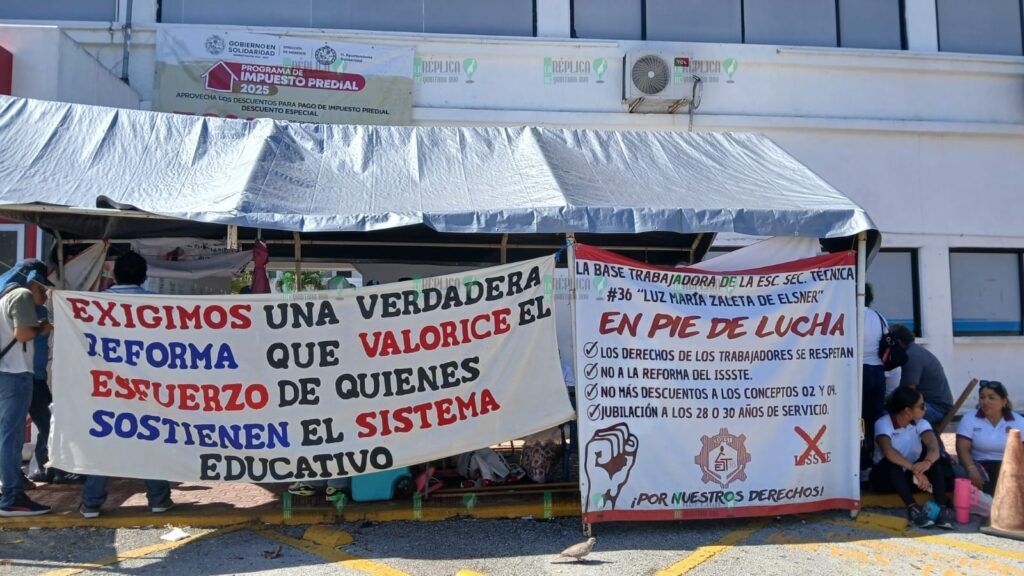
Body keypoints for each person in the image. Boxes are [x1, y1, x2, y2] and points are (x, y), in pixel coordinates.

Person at [80, 251, 175, 518]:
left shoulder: (94, 305)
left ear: (113, 273)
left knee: (104, 440)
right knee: (150, 438)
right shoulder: (159, 305)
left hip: (107, 385)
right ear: (144, 277)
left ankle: (91, 502)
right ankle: (158, 499)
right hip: (149, 387)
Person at [0, 260, 54, 517]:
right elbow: (22, 334)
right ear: (33, 282)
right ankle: (12, 496)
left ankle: (14, 484)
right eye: (43, 289)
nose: (44, 295)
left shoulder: (5, 294)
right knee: (11, 437)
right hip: (15, 373)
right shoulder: (21, 295)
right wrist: (41, 328)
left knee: (7, 434)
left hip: (8, 373)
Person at [870, 386, 954, 529]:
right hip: (885, 479)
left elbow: (934, 448)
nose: (925, 409)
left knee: (935, 461)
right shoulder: (884, 423)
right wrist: (915, 469)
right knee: (892, 463)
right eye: (921, 406)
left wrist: (926, 463)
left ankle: (941, 507)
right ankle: (912, 508)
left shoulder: (921, 422)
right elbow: (889, 451)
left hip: (911, 476)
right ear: (908, 410)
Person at [956, 380, 1021, 494]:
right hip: (980, 465)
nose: (985, 401)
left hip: (1009, 466)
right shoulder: (970, 418)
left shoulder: (1018, 421)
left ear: (1004, 401)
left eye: (991, 398)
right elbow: (962, 448)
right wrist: (971, 469)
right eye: (982, 397)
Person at [891, 324, 954, 428]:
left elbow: (909, 393)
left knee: (886, 415)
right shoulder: (915, 351)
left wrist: (886, 402)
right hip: (934, 405)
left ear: (898, 342)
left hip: (936, 409)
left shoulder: (911, 356)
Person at [861, 284, 887, 471]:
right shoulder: (879, 317)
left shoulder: (848, 315)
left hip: (857, 371)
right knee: (874, 419)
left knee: (858, 420)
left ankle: (861, 461)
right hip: (878, 372)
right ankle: (875, 459)